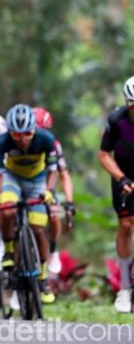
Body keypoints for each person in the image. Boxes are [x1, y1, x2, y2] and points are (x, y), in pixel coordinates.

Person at [0, 104, 57, 304]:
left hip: (37, 180)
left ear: (34, 130)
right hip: (13, 179)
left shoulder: (46, 139)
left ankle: (43, 277)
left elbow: (53, 171)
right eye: (16, 135)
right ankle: (9, 250)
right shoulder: (2, 142)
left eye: (27, 133)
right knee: (7, 211)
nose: (22, 139)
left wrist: (49, 192)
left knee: (37, 228)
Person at [98, 76, 134, 313]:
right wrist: (121, 178)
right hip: (123, 173)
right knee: (126, 226)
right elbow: (103, 155)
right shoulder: (117, 120)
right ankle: (124, 287)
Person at [33, 107, 75, 276]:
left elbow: (64, 175)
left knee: (55, 216)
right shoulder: (17, 142)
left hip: (46, 187)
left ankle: (53, 249)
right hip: (24, 183)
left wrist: (70, 202)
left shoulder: (53, 145)